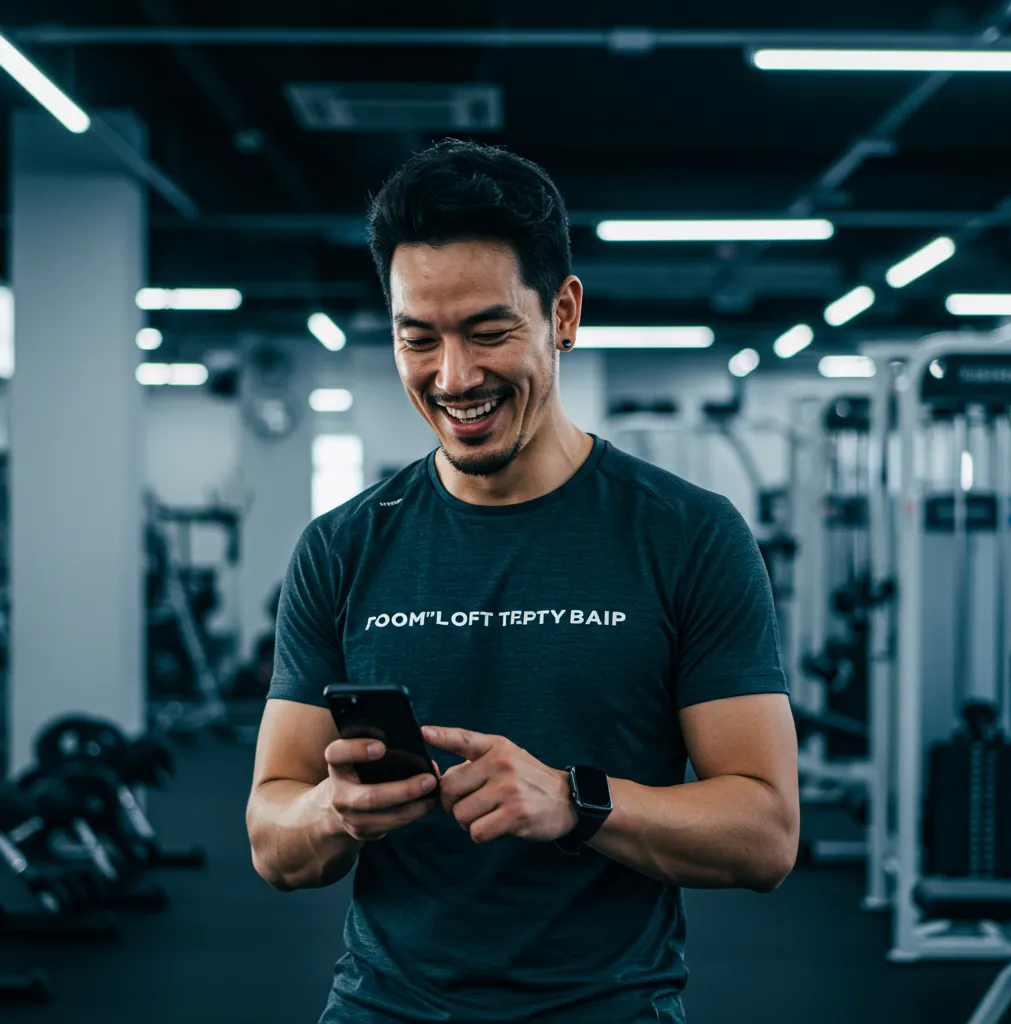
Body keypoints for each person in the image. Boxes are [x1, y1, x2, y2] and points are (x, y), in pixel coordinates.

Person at [245, 139, 800, 1024]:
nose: (453, 377)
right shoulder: (341, 548)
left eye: (489, 331)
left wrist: (575, 801)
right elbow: (272, 839)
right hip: (383, 1007)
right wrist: (330, 811)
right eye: (417, 337)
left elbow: (766, 834)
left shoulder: (689, 535)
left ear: (564, 314)